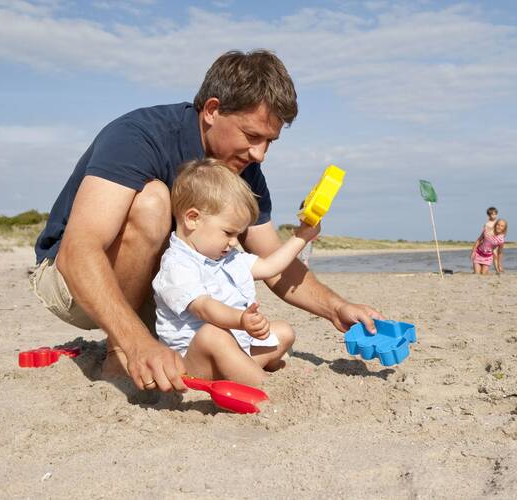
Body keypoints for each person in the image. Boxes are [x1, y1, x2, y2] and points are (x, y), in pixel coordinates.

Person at [29, 49, 382, 393]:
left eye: (269, 141)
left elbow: (274, 264)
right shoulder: (140, 136)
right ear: (212, 110)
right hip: (70, 279)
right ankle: (116, 354)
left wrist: (336, 308)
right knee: (153, 202)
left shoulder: (243, 169)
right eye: (252, 136)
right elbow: (79, 250)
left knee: (259, 336)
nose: (259, 154)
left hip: (165, 287)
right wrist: (136, 344)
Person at [154, 159, 320, 386]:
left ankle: (244, 369)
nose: (234, 242)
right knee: (212, 335)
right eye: (228, 232)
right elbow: (204, 308)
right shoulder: (178, 264)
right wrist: (240, 319)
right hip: (192, 363)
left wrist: (302, 236)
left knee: (283, 332)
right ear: (193, 219)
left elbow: (270, 267)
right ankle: (263, 385)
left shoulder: (226, 257)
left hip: (235, 346)